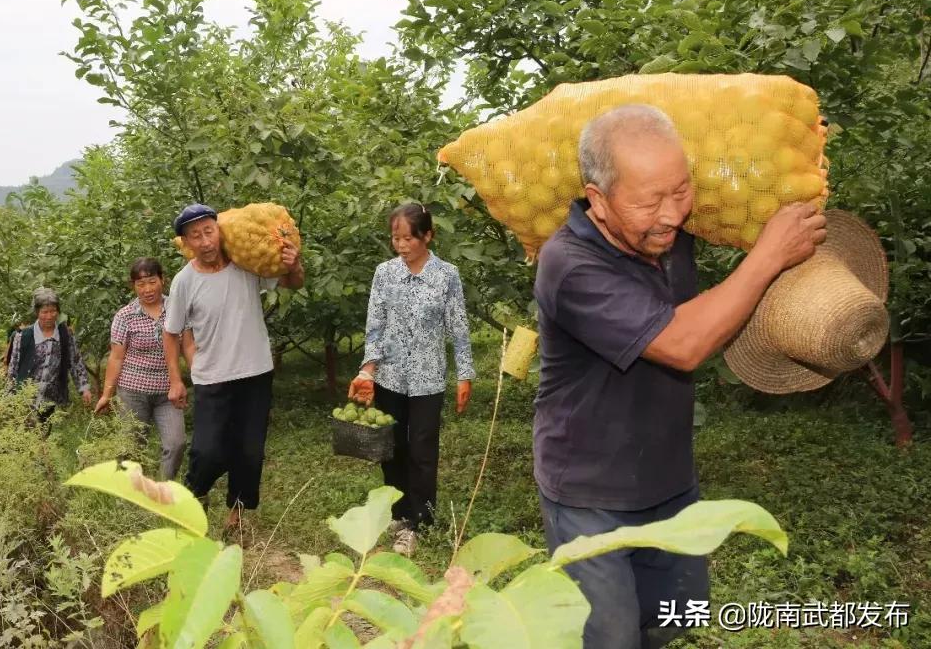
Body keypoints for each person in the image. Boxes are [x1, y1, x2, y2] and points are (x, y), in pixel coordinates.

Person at [532, 104, 827, 649]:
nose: (671, 214)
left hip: (667, 481)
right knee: (610, 637)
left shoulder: (669, 236)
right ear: (598, 200)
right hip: (590, 492)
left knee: (676, 622)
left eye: (681, 191)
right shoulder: (569, 264)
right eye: (650, 200)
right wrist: (767, 256)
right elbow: (682, 343)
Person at [163, 203, 304, 531]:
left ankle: (237, 515)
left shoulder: (246, 265)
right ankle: (195, 493)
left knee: (250, 450)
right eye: (195, 236)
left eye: (209, 231)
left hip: (255, 371)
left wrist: (295, 264)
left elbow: (292, 282)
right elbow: (172, 333)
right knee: (208, 450)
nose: (205, 241)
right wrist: (175, 379)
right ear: (187, 243)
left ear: (219, 229)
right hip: (212, 376)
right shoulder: (184, 282)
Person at [348, 203, 475, 557]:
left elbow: (459, 330)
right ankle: (399, 512)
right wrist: (367, 369)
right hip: (389, 377)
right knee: (391, 449)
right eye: (396, 238)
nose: (401, 245)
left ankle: (419, 521)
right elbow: (375, 326)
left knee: (422, 451)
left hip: (428, 380)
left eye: (408, 238)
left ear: (427, 236)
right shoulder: (384, 274)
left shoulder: (446, 275)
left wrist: (464, 373)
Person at [95, 258, 196, 480]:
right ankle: (129, 500)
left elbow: (188, 345)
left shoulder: (176, 309)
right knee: (131, 447)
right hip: (132, 392)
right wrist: (106, 394)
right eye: (141, 284)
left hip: (168, 392)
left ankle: (162, 490)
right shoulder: (125, 316)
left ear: (163, 280)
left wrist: (201, 378)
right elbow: (116, 357)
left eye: (152, 282)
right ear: (133, 286)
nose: (147, 289)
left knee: (176, 443)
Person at [7, 287, 93, 425]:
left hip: (50, 397)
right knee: (24, 435)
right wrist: (8, 395)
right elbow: (13, 367)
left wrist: (84, 389)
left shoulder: (65, 335)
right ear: (37, 312)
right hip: (25, 396)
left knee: (43, 433)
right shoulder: (23, 336)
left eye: (53, 311)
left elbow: (75, 361)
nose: (49, 316)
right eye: (44, 312)